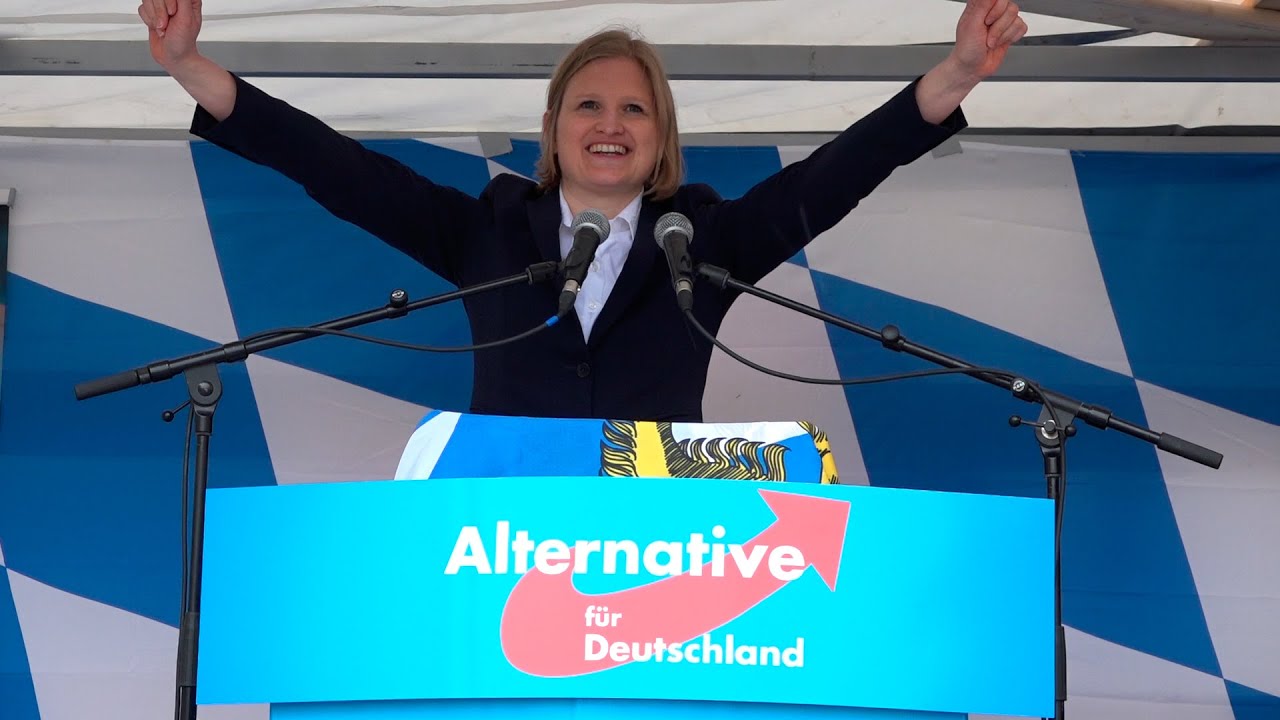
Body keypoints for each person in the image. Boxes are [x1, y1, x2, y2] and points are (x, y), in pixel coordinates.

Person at [137, 0, 1026, 423]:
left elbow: (831, 178)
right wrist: (190, 68)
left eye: (633, 110)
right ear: (554, 129)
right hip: (503, 545)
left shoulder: (703, 244)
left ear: (660, 133)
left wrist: (951, 77)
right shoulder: (482, 231)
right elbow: (336, 167)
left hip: (664, 554)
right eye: (588, 107)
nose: (610, 126)